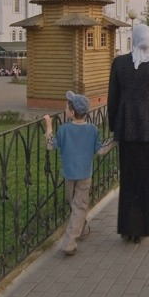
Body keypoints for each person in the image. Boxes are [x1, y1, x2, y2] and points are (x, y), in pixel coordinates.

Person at [107, 24, 149, 244]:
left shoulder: (119, 64)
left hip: (127, 130)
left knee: (129, 179)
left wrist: (114, 126)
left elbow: (113, 98)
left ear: (133, 39)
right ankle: (143, 227)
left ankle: (128, 227)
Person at [43, 91, 102, 256]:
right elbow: (100, 150)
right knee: (79, 206)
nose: (65, 109)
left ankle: (69, 242)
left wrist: (49, 126)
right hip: (85, 174)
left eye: (66, 107)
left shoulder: (64, 130)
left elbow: (50, 145)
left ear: (72, 112)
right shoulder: (92, 130)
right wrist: (115, 141)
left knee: (76, 206)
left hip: (69, 174)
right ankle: (81, 230)